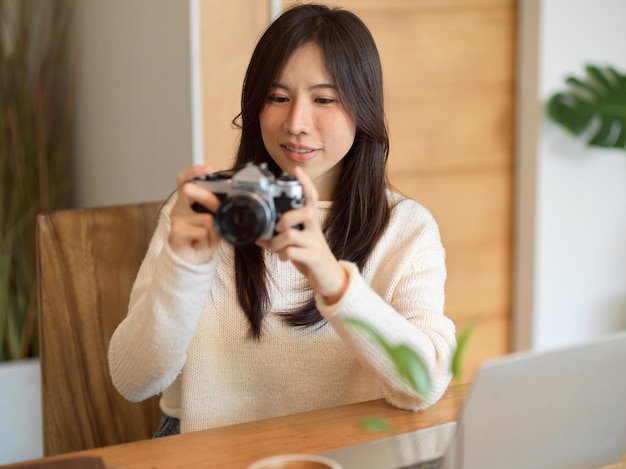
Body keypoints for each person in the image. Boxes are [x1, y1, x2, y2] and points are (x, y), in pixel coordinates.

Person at [108, 3, 456, 436]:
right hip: (208, 453)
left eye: (324, 99)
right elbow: (133, 380)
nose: (296, 123)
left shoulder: (406, 229)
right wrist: (183, 267)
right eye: (278, 98)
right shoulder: (207, 211)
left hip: (341, 455)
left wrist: (331, 277)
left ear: (363, 108)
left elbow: (424, 385)